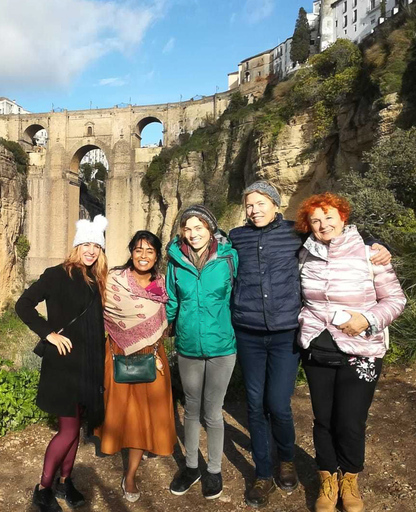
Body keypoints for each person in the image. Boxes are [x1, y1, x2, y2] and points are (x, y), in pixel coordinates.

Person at [228, 181, 392, 508]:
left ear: (276, 205)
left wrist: (376, 242)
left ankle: (286, 458)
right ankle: (262, 473)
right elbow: (205, 243)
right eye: (249, 205)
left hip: (287, 331)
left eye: (262, 203)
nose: (255, 209)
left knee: (277, 403)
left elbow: (336, 236)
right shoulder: (236, 236)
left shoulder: (296, 234)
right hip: (248, 330)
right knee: (255, 404)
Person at [295, 193, 405, 512]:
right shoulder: (305, 253)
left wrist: (367, 319)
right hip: (318, 346)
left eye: (328, 216)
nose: (323, 224)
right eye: (315, 220)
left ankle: (350, 479)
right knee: (324, 419)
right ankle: (328, 478)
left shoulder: (370, 253)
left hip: (362, 350)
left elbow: (395, 300)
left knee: (351, 420)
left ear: (343, 217)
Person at [16, 215, 109, 512]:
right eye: (86, 244)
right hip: (65, 365)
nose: (91, 250)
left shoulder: (98, 280)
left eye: (96, 245)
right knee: (68, 430)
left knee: (77, 427)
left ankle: (64, 482)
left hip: (89, 365)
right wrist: (48, 334)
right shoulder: (57, 274)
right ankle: (43, 488)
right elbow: (23, 305)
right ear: (76, 246)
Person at [95, 230, 176, 503]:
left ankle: (130, 474)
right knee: (119, 410)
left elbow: (171, 320)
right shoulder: (113, 280)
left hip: (152, 356)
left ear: (157, 256)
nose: (143, 256)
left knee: (144, 414)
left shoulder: (163, 286)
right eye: (139, 250)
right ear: (131, 252)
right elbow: (91, 305)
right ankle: (117, 445)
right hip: (117, 351)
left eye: (150, 251)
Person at [165, 205, 238, 500]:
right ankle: (192, 467)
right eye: (188, 228)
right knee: (191, 409)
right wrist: (159, 331)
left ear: (210, 230)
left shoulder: (228, 258)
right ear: (182, 231)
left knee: (213, 411)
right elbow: (171, 299)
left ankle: (214, 470)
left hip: (222, 347)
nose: (193, 233)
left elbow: (238, 297)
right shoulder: (175, 261)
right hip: (188, 346)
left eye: (199, 228)